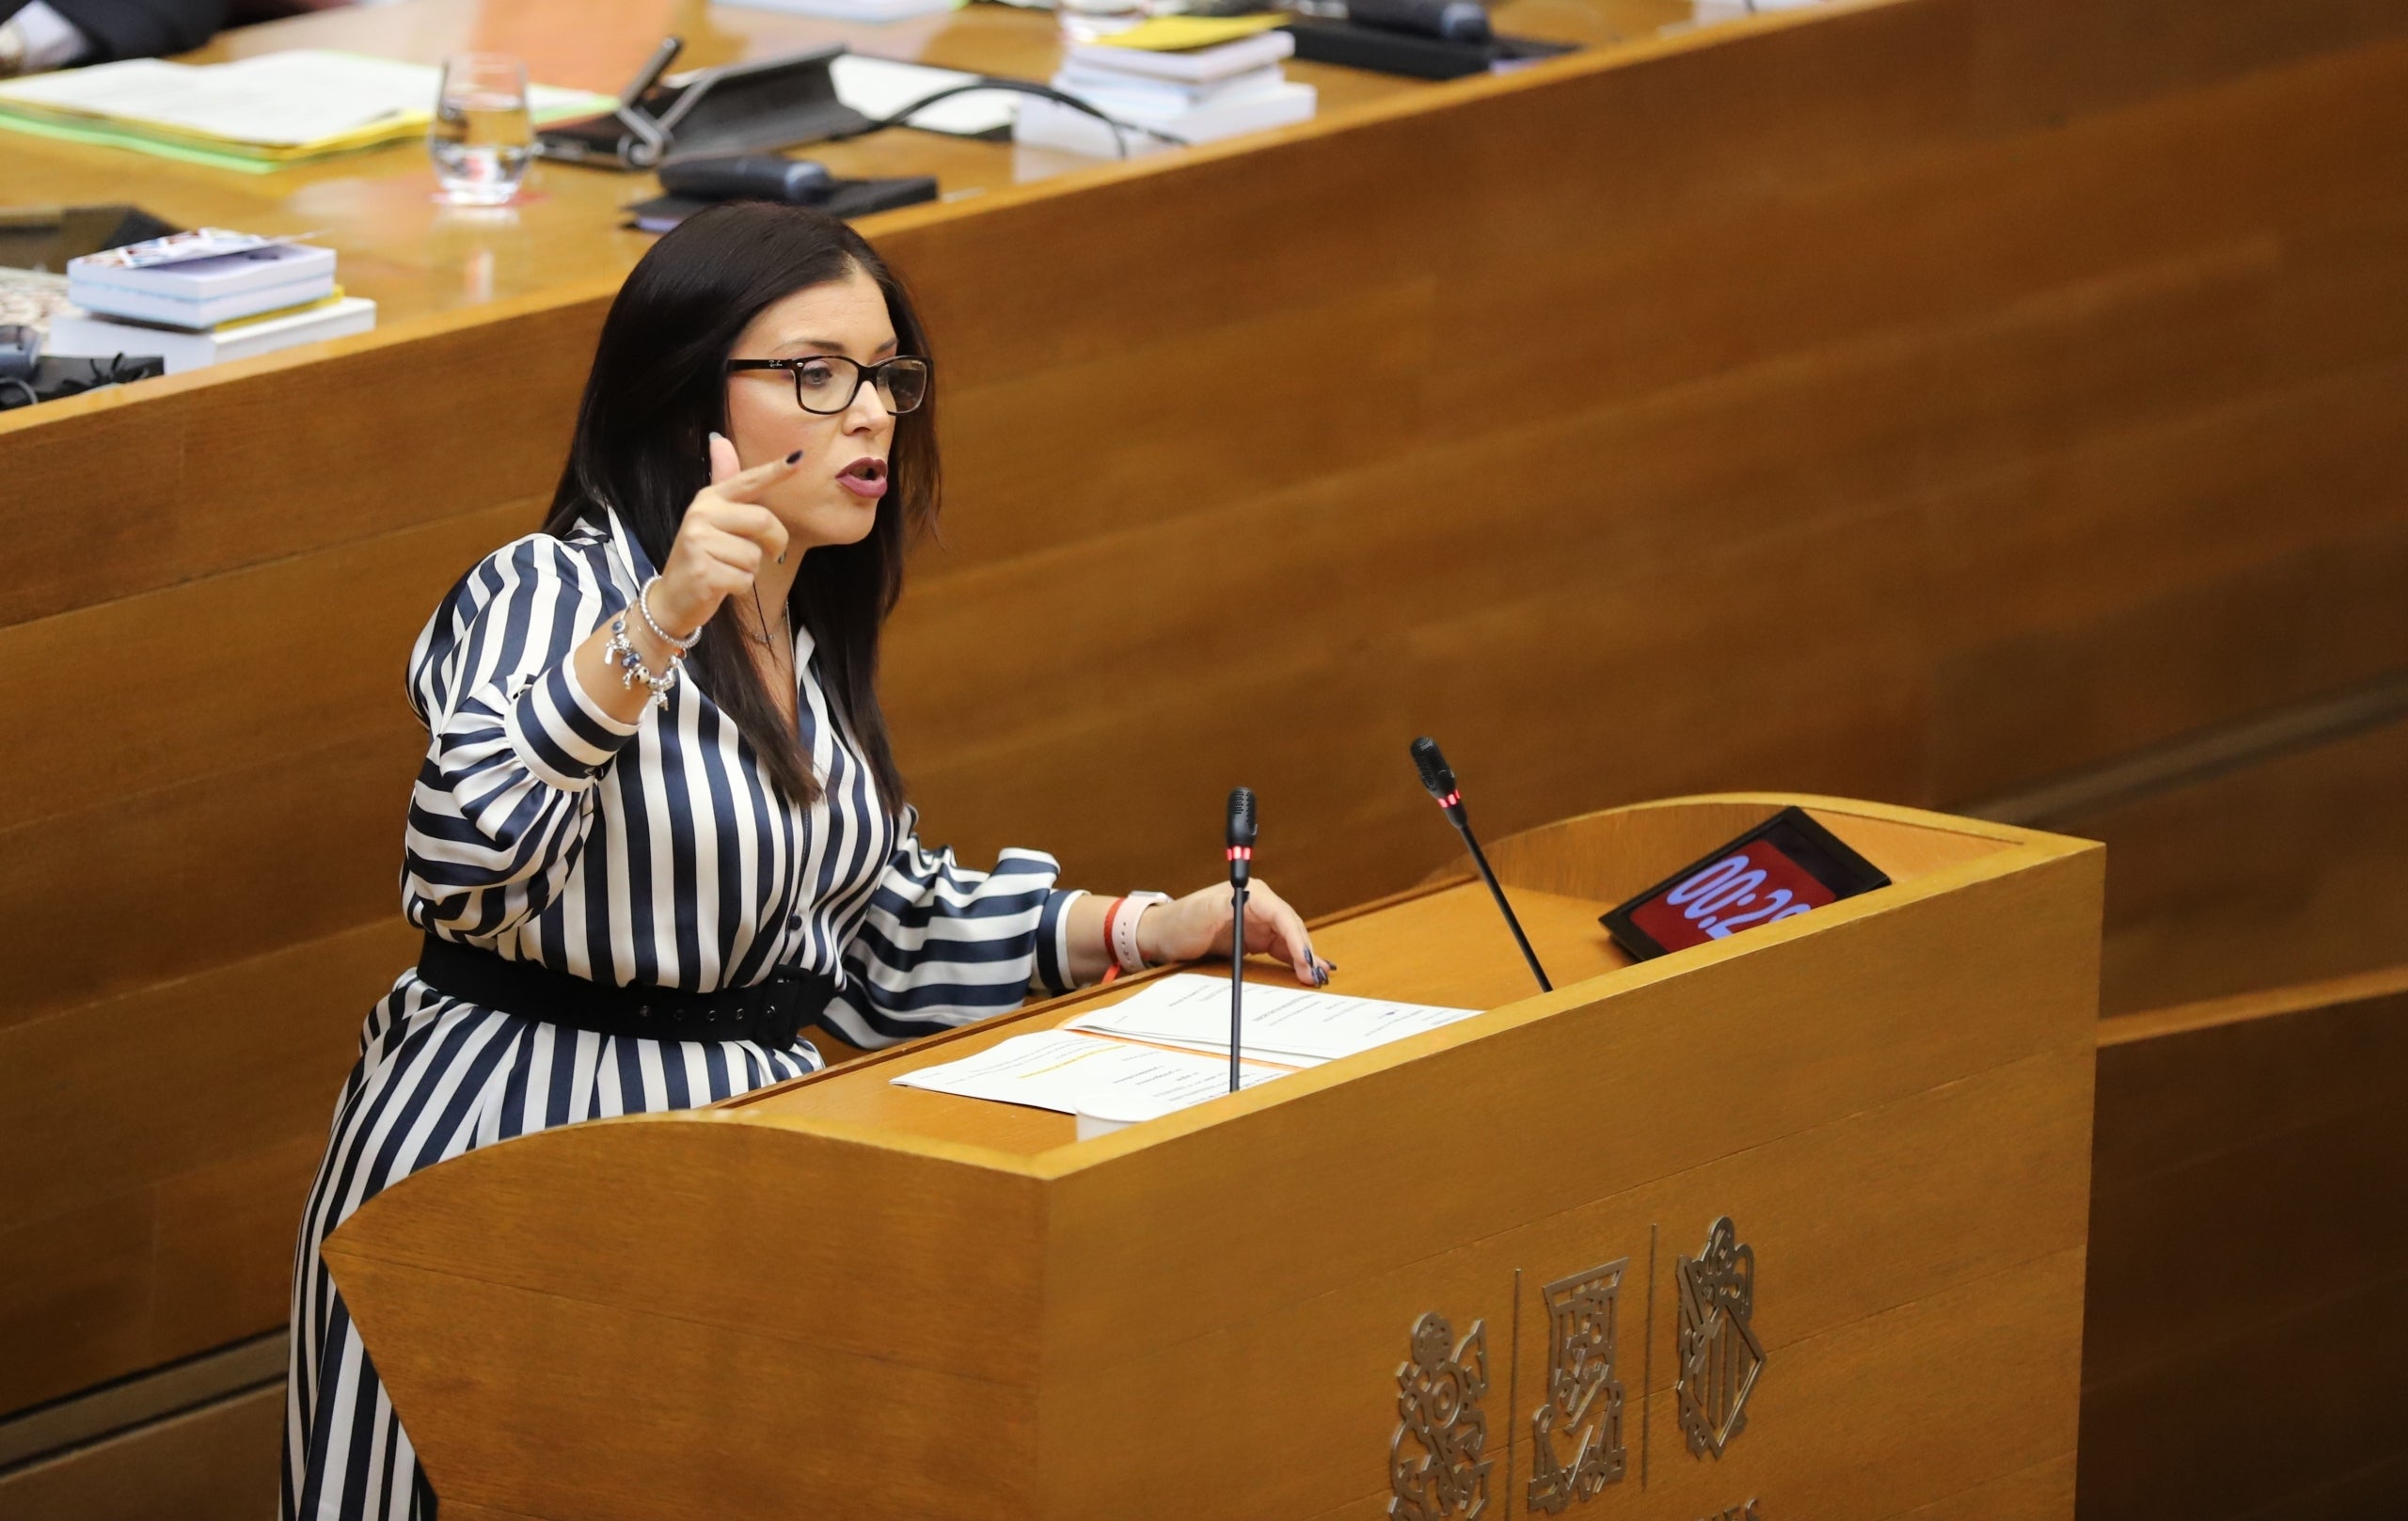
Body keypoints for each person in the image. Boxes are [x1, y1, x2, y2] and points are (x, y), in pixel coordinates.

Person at [281, 201, 1331, 1521]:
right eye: (815, 374)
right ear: (685, 398)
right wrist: (658, 620)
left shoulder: (804, 635)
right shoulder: (549, 588)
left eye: (887, 375)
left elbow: (878, 937)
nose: (874, 414)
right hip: (508, 1169)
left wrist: (1143, 927)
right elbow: (463, 854)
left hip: (738, 1180)